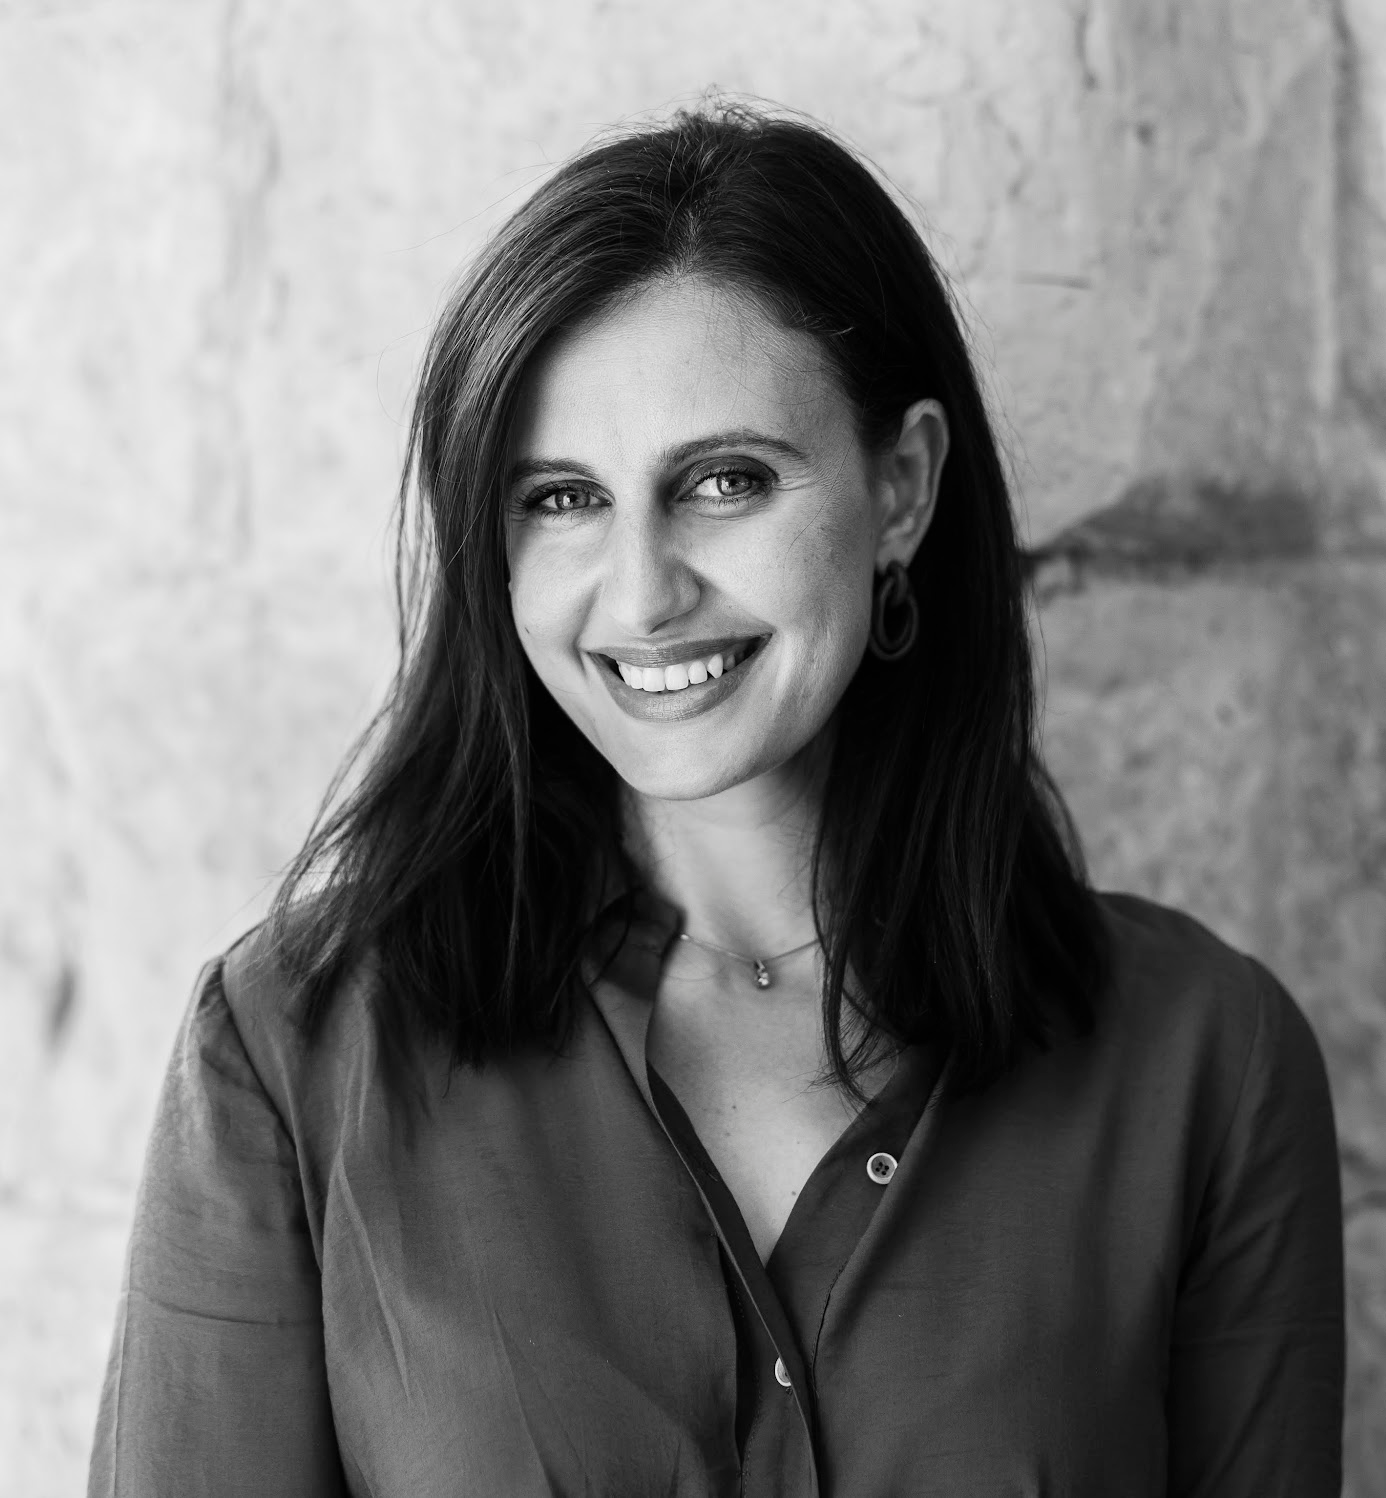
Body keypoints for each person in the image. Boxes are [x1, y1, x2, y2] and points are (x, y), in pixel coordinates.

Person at [88, 102, 1345, 1497]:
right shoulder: (292, 1054)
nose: (639, 592)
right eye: (560, 499)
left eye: (724, 480)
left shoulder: (1204, 1066)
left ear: (904, 485)